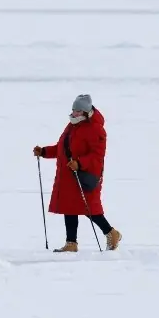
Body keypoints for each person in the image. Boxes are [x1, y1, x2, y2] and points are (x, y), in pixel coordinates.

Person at [34, 94, 122, 252]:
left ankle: (111, 233)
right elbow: (62, 148)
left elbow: (97, 155)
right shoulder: (72, 125)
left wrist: (80, 163)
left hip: (85, 176)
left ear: (87, 112)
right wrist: (44, 152)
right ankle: (71, 243)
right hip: (68, 175)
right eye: (73, 110)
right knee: (69, 207)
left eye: (78, 111)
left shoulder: (96, 129)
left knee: (90, 209)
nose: (74, 114)